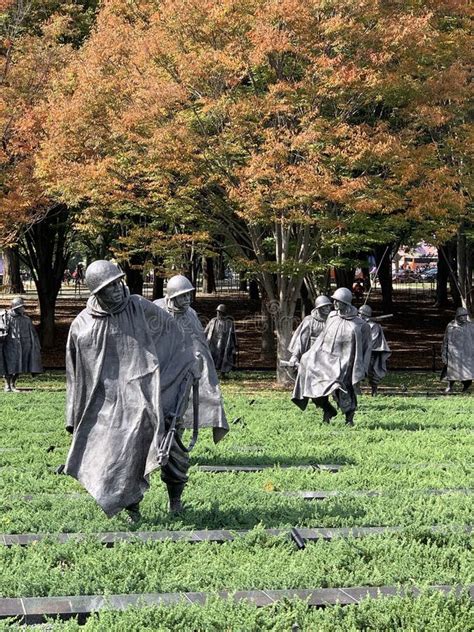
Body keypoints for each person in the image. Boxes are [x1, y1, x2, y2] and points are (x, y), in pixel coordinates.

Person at [64, 261, 198, 521]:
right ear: (95, 292)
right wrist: (73, 416)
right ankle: (131, 508)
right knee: (120, 455)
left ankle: (176, 500)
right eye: (108, 286)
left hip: (151, 393)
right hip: (109, 404)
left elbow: (174, 336)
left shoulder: (139, 307)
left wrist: (183, 370)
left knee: (172, 447)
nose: (116, 289)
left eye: (118, 282)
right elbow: (75, 376)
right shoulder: (82, 327)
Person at [155, 275, 229, 443]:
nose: (187, 299)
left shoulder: (191, 314)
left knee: (178, 413)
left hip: (183, 374)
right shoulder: (156, 310)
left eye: (189, 295)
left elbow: (199, 344)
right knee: (157, 413)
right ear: (173, 296)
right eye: (183, 295)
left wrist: (199, 364)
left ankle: (174, 446)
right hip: (160, 373)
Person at [292, 287, 371, 426]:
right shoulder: (332, 317)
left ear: (345, 303)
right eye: (333, 300)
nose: (334, 304)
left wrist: (362, 368)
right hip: (325, 361)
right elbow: (321, 339)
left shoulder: (360, 324)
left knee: (343, 390)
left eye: (337, 301)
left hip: (345, 363)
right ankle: (327, 409)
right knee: (313, 383)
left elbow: (366, 348)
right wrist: (307, 356)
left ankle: (349, 418)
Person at [3, 297, 42, 392]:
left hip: (23, 346)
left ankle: (13, 384)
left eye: (23, 307)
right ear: (15, 308)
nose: (23, 309)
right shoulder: (6, 317)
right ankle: (7, 385)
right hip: (10, 346)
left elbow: (33, 334)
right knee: (9, 365)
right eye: (21, 307)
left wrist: (35, 345)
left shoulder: (26, 320)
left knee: (19, 365)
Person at [288, 295, 332, 365]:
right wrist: (295, 356)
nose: (328, 308)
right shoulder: (309, 320)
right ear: (318, 308)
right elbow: (301, 339)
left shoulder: (332, 320)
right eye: (325, 306)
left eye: (329, 306)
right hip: (312, 355)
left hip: (328, 355)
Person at [358, 304, 391, 396]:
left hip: (371, 353)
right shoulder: (359, 325)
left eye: (360, 314)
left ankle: (374, 391)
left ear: (365, 315)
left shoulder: (374, 326)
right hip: (360, 352)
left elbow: (372, 340)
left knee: (372, 372)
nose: (359, 316)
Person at [441, 307, 473, 394]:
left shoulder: (471, 326)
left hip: (467, 353)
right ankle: (449, 386)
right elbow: (445, 340)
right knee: (452, 372)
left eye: (466, 316)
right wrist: (444, 353)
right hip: (454, 354)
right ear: (458, 316)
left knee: (467, 374)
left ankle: (466, 386)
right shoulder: (451, 326)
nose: (465, 318)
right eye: (463, 316)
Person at [204, 304, 237, 375]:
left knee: (223, 358)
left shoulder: (229, 323)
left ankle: (223, 373)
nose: (218, 313)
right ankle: (211, 372)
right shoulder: (213, 321)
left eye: (220, 312)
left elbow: (233, 334)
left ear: (224, 313)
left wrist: (235, 344)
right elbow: (206, 331)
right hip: (213, 343)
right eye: (218, 312)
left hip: (224, 344)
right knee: (211, 357)